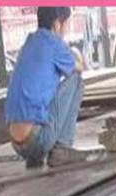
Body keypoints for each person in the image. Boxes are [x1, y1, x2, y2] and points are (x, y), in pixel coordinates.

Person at [5, 6, 86, 168]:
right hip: (36, 140)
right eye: (66, 25)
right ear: (57, 24)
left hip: (16, 143)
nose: (65, 31)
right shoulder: (54, 43)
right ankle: (62, 148)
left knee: (44, 92)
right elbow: (79, 67)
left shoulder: (29, 42)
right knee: (76, 80)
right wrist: (75, 51)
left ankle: (35, 157)